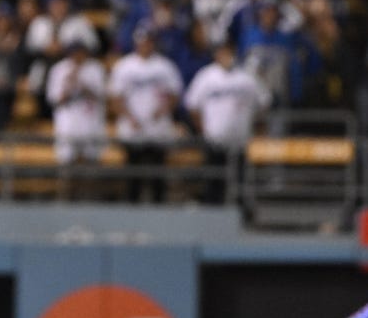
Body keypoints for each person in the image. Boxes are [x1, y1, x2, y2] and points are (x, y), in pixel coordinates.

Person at [184, 42, 271, 203]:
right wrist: (202, 128)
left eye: (228, 52)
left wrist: (255, 123)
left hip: (240, 141)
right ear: (216, 55)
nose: (225, 56)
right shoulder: (206, 76)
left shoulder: (247, 76)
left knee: (242, 181)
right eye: (222, 52)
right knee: (214, 180)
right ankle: (213, 214)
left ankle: (243, 215)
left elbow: (264, 102)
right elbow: (192, 105)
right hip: (214, 140)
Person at [107, 24, 184, 203]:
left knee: (158, 173)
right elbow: (115, 97)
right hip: (132, 127)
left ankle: (159, 209)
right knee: (133, 173)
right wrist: (129, 116)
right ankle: (132, 210)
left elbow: (175, 94)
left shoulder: (164, 66)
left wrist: (164, 108)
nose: (146, 45)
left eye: (149, 42)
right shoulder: (124, 66)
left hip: (158, 128)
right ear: (136, 43)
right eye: (142, 42)